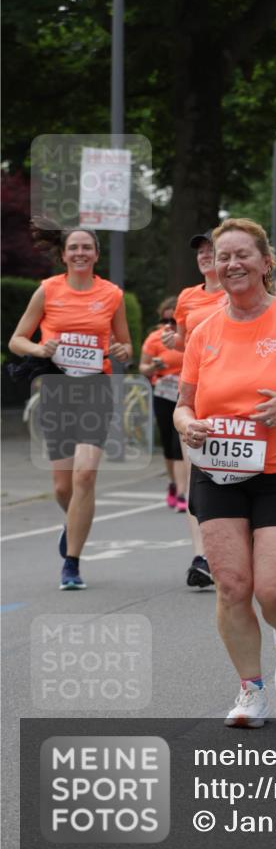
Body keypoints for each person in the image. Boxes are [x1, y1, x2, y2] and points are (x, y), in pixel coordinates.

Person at [174, 217, 276, 727]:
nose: (232, 264)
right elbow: (182, 405)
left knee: (272, 590)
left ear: (267, 263)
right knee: (231, 585)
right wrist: (188, 426)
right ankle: (250, 690)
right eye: (223, 256)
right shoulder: (204, 331)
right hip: (218, 469)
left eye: (243, 254)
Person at [9, 228, 132, 590]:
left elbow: (124, 344)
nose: (80, 253)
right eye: (73, 248)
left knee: (84, 477)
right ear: (64, 255)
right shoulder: (48, 289)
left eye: (87, 248)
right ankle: (74, 522)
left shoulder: (112, 294)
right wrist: (39, 349)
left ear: (96, 254)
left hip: (95, 390)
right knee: (63, 487)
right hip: (57, 390)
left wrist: (124, 351)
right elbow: (17, 340)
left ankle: (72, 564)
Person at [162, 229, 228, 588]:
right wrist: (175, 343)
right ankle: (201, 556)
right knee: (195, 477)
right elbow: (187, 349)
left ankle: (237, 545)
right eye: (200, 250)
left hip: (235, 396)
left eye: (211, 249)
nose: (204, 255)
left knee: (235, 474)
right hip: (196, 396)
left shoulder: (238, 294)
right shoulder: (187, 298)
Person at [139, 297, 186, 510]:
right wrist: (153, 367)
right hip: (163, 393)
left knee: (180, 442)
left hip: (185, 393)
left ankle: (184, 492)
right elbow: (143, 368)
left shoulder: (188, 338)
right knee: (168, 443)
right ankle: (174, 483)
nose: (169, 325)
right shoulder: (155, 339)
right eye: (164, 320)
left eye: (173, 321)